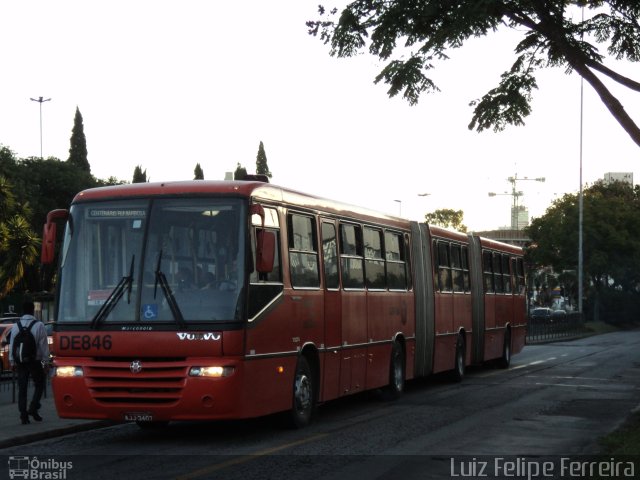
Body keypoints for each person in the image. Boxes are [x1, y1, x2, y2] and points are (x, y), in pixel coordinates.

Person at [9, 300, 50, 424]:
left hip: (20, 361)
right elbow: (43, 345)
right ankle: (33, 407)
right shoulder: (39, 325)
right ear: (33, 311)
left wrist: (12, 361)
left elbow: (12, 345)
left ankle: (23, 416)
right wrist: (46, 361)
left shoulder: (16, 325)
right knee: (40, 384)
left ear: (22, 311)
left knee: (22, 388)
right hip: (34, 361)